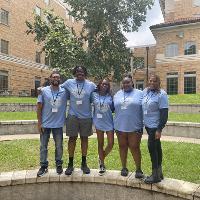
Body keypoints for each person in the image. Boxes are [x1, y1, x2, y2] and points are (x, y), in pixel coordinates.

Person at [61, 66, 96, 175]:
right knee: (72, 139)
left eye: (82, 71)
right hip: (73, 116)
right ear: (74, 72)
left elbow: (99, 92)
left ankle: (84, 163)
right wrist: (42, 89)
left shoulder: (90, 85)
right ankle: (70, 164)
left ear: (85, 73)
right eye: (77, 71)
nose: (79, 73)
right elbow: (57, 88)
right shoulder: (68, 83)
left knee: (84, 139)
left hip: (86, 117)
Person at [37, 71, 68, 177]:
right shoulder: (43, 91)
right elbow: (39, 107)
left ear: (60, 80)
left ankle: (59, 164)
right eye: (54, 77)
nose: (56, 79)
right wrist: (39, 123)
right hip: (45, 124)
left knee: (59, 146)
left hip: (58, 125)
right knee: (43, 146)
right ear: (50, 79)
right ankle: (43, 166)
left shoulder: (64, 91)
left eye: (58, 77)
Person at [113, 74, 144, 178]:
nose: (126, 84)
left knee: (135, 147)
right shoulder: (117, 94)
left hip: (134, 127)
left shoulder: (140, 93)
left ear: (132, 83)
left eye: (128, 82)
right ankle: (124, 167)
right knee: (122, 147)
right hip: (119, 126)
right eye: (124, 82)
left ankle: (138, 169)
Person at [142, 74, 168, 184]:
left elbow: (164, 113)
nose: (152, 83)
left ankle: (155, 175)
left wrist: (159, 129)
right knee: (157, 148)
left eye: (154, 81)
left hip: (155, 127)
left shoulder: (162, 94)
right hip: (148, 125)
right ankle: (159, 172)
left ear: (158, 82)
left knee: (152, 149)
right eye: (150, 81)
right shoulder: (146, 91)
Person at [92, 78, 114, 175]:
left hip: (109, 122)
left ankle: (101, 157)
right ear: (99, 85)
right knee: (100, 144)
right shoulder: (94, 95)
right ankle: (102, 164)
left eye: (106, 84)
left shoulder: (110, 96)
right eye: (103, 84)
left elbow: (113, 108)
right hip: (98, 122)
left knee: (111, 143)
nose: (105, 86)